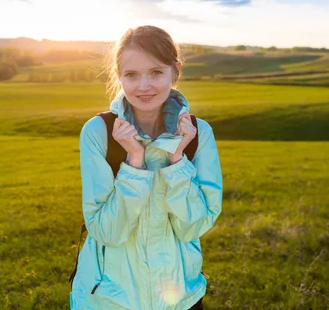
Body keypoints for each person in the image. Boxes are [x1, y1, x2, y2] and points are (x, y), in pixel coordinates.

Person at [70, 26, 223, 310]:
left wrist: (177, 161)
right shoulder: (98, 133)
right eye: (131, 75)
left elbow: (195, 226)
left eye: (155, 72)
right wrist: (135, 164)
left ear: (174, 71)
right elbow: (107, 232)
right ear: (119, 75)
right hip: (109, 301)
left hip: (180, 298)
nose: (144, 86)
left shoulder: (198, 134)